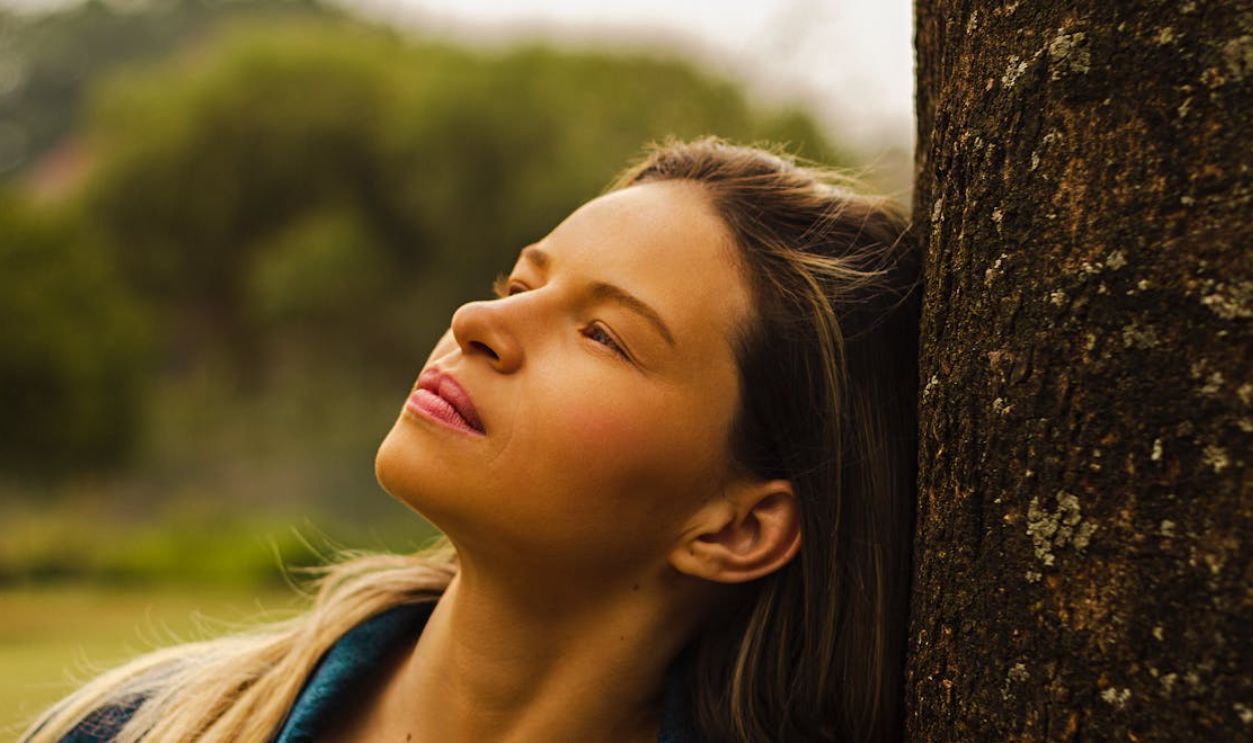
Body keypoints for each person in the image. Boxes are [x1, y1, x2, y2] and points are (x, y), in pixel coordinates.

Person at [20, 136, 922, 743]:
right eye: (520, 280)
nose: (479, 318)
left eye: (603, 333)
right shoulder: (130, 724)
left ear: (737, 528)